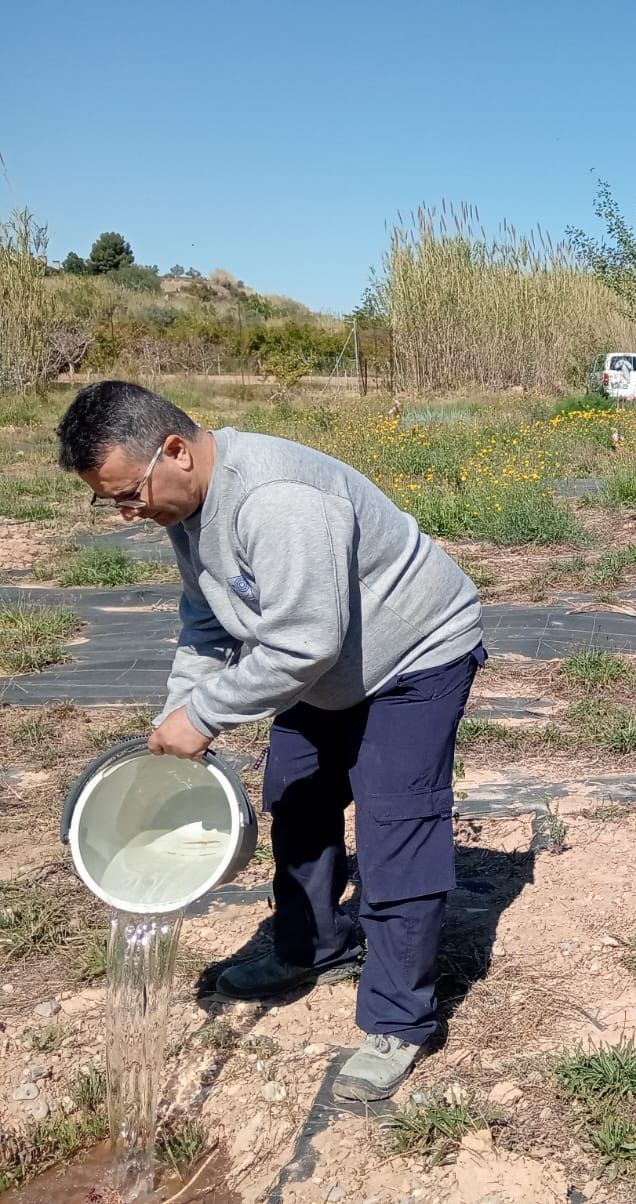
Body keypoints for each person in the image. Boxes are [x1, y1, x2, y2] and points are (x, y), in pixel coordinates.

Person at [56, 381, 484, 1103]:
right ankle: (312, 947)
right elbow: (207, 621)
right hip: (327, 668)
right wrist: (180, 711)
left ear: (175, 451)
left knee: (395, 830)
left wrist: (206, 717)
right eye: (111, 503)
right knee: (296, 794)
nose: (128, 513)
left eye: (128, 494)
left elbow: (304, 642)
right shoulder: (187, 507)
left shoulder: (276, 498)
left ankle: (398, 1022)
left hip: (413, 654)